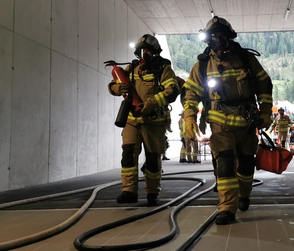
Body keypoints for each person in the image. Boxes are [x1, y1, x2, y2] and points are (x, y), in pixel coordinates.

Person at [183, 16, 273, 225]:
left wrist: (266, 111)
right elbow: (191, 93)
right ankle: (226, 208)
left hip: (246, 124)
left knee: (245, 166)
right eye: (214, 37)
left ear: (230, 36)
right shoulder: (202, 65)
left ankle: (243, 194)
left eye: (222, 35)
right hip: (220, 125)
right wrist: (189, 116)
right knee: (224, 165)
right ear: (208, 40)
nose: (219, 40)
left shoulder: (246, 59)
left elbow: (264, 84)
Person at [108, 34, 179, 206]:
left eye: (148, 51)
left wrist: (150, 103)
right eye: (141, 51)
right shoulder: (131, 69)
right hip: (132, 120)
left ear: (155, 52)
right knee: (128, 154)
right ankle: (128, 191)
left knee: (153, 158)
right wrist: (118, 88)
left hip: (154, 122)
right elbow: (112, 85)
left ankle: (152, 193)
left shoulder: (164, 69)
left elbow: (172, 90)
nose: (144, 54)